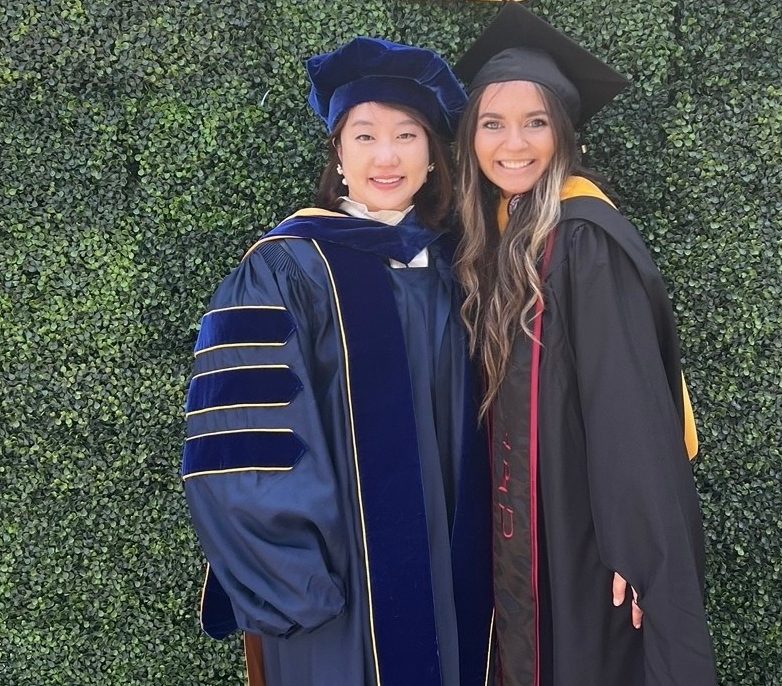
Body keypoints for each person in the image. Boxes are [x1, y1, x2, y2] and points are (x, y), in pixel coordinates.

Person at [180, 37, 493, 686]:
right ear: (339, 157)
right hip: (341, 601)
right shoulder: (286, 267)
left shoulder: (457, 271)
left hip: (459, 584)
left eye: (407, 135)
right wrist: (295, 579)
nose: (386, 155)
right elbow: (239, 447)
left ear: (433, 158)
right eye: (364, 136)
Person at [451, 4, 717, 686]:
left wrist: (638, 548)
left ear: (565, 134)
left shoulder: (583, 238)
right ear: (469, 139)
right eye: (492, 123)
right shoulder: (502, 236)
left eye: (535, 122)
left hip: (585, 542)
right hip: (529, 530)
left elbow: (624, 403)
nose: (513, 143)